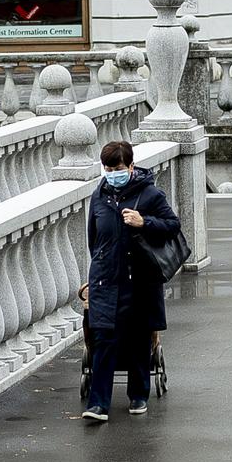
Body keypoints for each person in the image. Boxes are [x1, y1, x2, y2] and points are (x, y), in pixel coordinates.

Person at [82, 140, 181, 422]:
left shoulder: (149, 194)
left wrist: (144, 222)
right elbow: (94, 237)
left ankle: (138, 395)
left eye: (118, 168)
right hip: (106, 278)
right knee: (103, 336)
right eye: (108, 168)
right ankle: (98, 403)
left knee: (138, 337)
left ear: (131, 166)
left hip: (140, 278)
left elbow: (173, 226)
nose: (113, 173)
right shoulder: (99, 195)